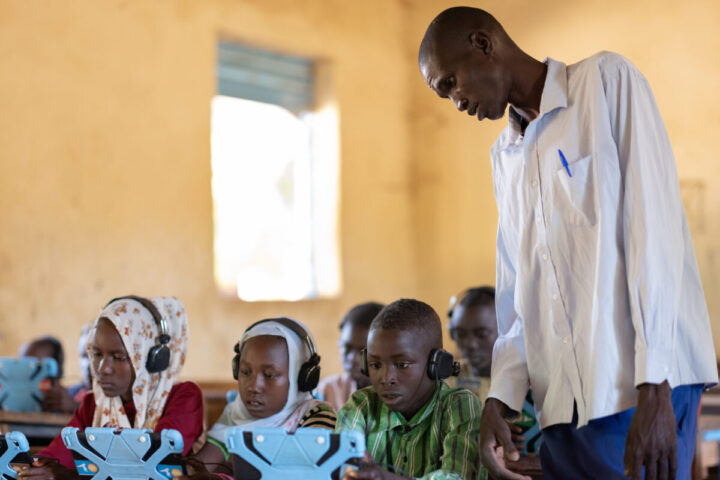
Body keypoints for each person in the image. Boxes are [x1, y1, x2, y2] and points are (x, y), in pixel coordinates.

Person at [418, 7, 718, 480]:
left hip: (639, 386)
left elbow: (654, 238)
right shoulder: (506, 156)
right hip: (564, 401)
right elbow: (518, 284)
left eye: (451, 82)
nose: (456, 101)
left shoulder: (604, 83)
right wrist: (504, 393)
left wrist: (656, 384)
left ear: (483, 43)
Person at [19, 295, 204, 480]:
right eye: (97, 354)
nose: (102, 369)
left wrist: (65, 476)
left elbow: (150, 467)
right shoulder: (93, 405)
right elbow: (54, 456)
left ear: (150, 359)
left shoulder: (183, 397)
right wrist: (34, 467)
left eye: (118, 357)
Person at [337, 298, 485, 480]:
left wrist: (383, 478)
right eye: (375, 365)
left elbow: (457, 476)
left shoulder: (461, 406)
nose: (386, 378)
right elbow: (341, 465)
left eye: (402, 364)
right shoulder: (361, 405)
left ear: (437, 364)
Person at [186, 317, 336, 478]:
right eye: (245, 372)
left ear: (301, 378)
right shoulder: (235, 415)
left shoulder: (316, 415)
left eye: (269, 375)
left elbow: (304, 471)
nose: (254, 387)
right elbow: (199, 467)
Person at [448, 287, 541, 457]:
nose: (470, 344)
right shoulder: (446, 381)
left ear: (507, 332)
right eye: (460, 334)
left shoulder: (533, 382)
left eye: (481, 334)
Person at [317, 302, 384, 411]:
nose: (353, 359)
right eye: (347, 347)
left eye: (364, 350)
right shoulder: (328, 391)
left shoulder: (398, 396)